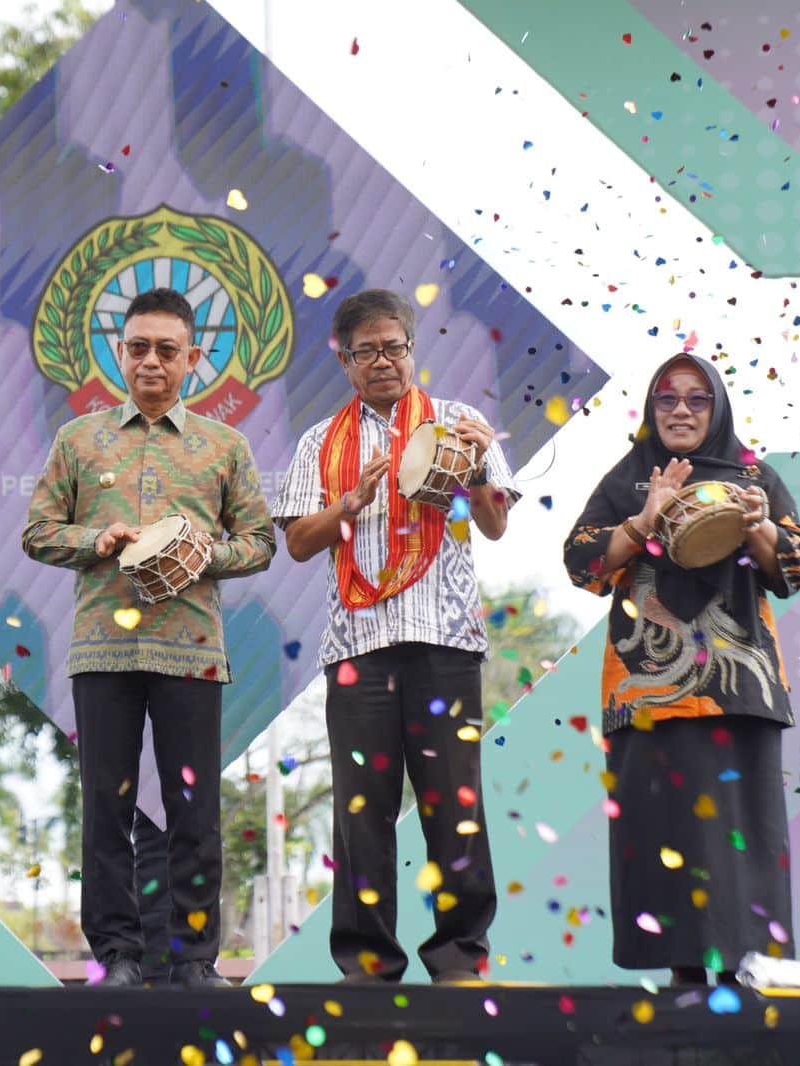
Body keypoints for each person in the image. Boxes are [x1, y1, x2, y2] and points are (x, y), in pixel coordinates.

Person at [22, 287, 274, 989]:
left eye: (168, 350)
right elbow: (38, 532)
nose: (152, 362)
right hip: (103, 647)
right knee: (108, 804)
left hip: (192, 648)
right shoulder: (79, 439)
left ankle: (195, 958)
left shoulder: (227, 445)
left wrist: (204, 553)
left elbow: (259, 543)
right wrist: (94, 539)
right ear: (118, 354)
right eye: (139, 348)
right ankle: (119, 956)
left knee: (195, 807)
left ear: (194, 359)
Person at [272, 288, 517, 985]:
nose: (383, 361)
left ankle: (461, 957)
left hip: (445, 641)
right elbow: (295, 542)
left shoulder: (458, 421)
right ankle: (367, 965)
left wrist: (473, 473)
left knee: (454, 803)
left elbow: (496, 525)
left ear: (413, 350)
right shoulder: (321, 441)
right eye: (367, 351)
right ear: (345, 362)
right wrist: (347, 508)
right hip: (357, 647)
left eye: (395, 347)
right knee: (362, 812)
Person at [563, 354, 800, 987]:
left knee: (741, 830)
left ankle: (747, 971)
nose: (680, 410)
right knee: (663, 830)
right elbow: (580, 562)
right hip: (650, 688)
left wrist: (755, 524)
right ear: (650, 410)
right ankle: (683, 977)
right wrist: (645, 519)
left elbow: (795, 568)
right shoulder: (629, 478)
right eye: (667, 399)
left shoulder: (753, 476)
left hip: (739, 686)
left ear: (719, 407)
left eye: (697, 399)